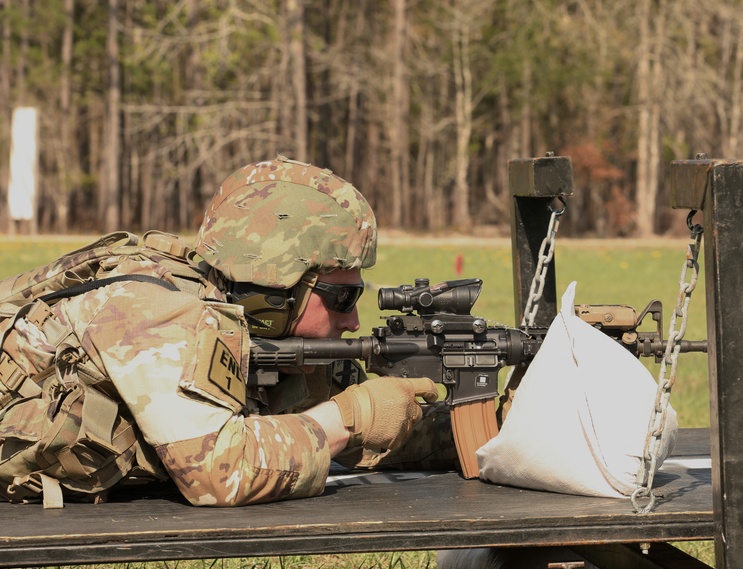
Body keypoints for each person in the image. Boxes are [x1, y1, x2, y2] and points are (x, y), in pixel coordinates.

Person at [0, 156, 453, 507]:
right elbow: (219, 473)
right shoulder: (155, 313)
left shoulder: (267, 336)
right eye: (341, 299)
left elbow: (384, 431)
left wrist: (494, 428)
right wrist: (348, 417)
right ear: (276, 289)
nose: (354, 322)